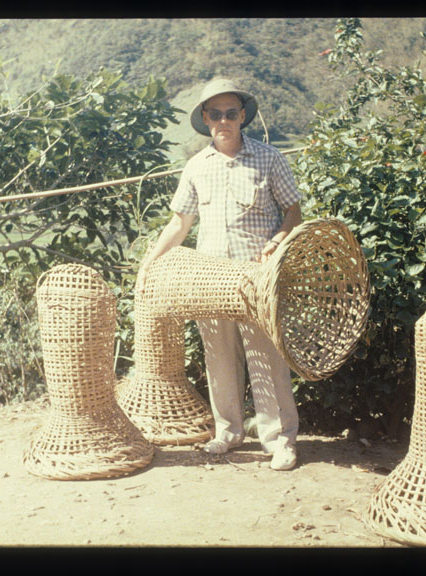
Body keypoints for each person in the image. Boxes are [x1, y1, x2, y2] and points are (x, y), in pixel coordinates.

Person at [135, 78, 302, 471]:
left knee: (267, 357)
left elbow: (293, 212)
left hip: (256, 278)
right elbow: (180, 224)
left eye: (230, 113)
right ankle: (228, 432)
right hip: (209, 281)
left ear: (242, 117)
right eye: (215, 114)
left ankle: (280, 441)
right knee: (219, 356)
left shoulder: (269, 159)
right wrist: (150, 262)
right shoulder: (196, 166)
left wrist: (278, 240)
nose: (223, 121)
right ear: (205, 120)